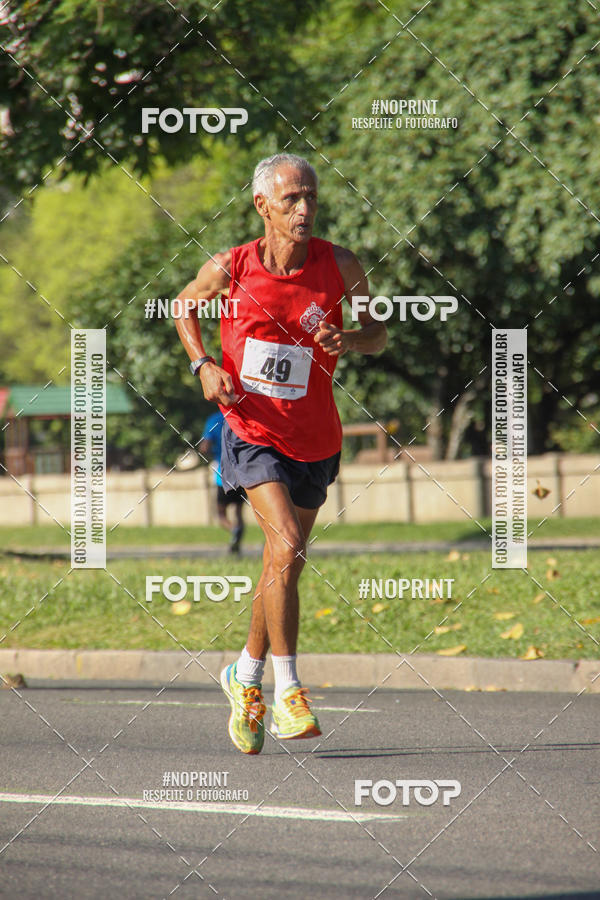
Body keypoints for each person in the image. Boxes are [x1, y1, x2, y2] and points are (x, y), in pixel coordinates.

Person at [174, 152, 387, 754]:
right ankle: (289, 691)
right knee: (287, 545)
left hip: (316, 439)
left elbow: (379, 332)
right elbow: (183, 305)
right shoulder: (232, 266)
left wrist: (352, 337)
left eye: (311, 197)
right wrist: (203, 364)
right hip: (249, 430)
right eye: (291, 198)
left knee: (282, 564)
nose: (305, 208)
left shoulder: (340, 265)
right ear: (262, 205)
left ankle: (243, 677)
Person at [199, 409, 246, 554]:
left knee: (221, 514)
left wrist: (208, 451)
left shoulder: (214, 420)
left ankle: (234, 530)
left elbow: (204, 446)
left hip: (223, 475)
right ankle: (237, 538)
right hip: (243, 473)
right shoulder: (241, 415)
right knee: (238, 512)